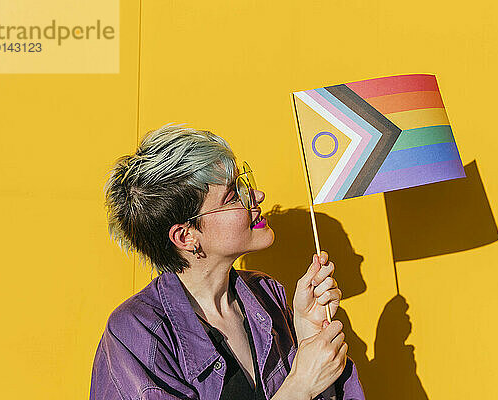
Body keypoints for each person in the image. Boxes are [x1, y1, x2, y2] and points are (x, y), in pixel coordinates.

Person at [89, 123, 365, 400]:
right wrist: (298, 388)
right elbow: (299, 388)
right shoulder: (136, 332)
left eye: (244, 185)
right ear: (186, 236)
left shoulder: (268, 295)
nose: (257, 197)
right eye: (233, 196)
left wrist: (307, 333)